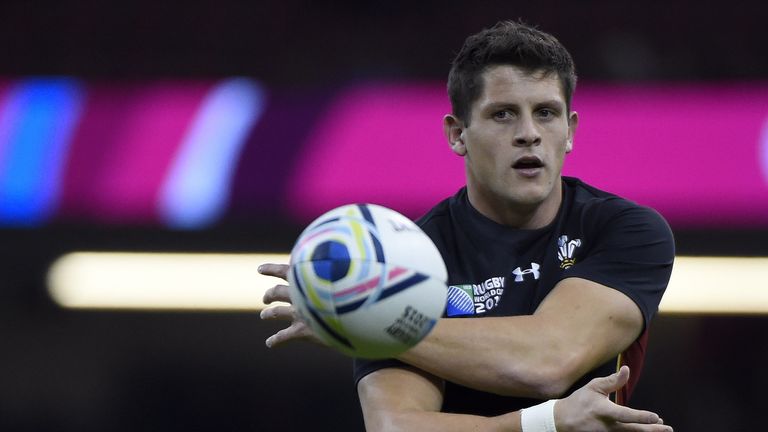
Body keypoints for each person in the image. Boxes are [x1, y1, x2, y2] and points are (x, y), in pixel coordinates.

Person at [259, 20, 675, 432]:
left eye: (546, 113)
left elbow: (549, 359)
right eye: (503, 115)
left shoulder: (626, 230)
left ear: (570, 131)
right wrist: (544, 423)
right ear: (458, 134)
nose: (529, 134)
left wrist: (369, 320)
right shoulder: (406, 261)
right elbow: (397, 428)